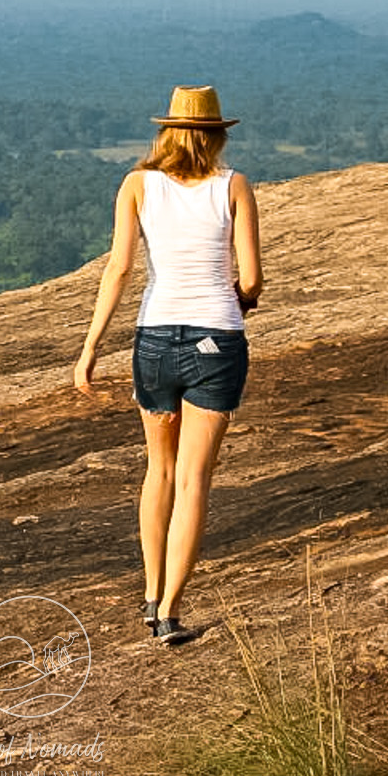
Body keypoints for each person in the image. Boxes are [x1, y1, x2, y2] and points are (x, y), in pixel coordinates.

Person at [73, 85, 262, 645]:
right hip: (216, 341)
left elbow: (120, 269)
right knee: (194, 478)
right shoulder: (234, 186)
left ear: (168, 131)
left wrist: (89, 348)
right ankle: (170, 614)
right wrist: (238, 299)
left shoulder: (137, 184)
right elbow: (251, 278)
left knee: (158, 470)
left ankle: (151, 589)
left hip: (154, 341)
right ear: (217, 134)